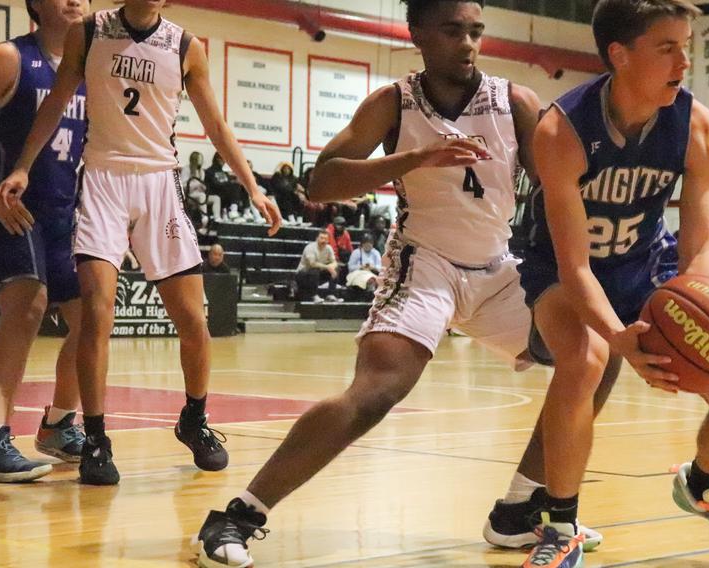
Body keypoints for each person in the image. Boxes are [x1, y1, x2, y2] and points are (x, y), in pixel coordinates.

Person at [190, 2, 599, 566]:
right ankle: (238, 515)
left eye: (476, 32)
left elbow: (562, 185)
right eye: (453, 30)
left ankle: (523, 506)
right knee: (378, 392)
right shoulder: (393, 103)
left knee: (596, 355)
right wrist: (414, 158)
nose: (467, 43)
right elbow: (323, 180)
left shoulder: (516, 102)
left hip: (500, 269)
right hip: (424, 263)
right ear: (419, 35)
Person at [508, 1, 709, 565]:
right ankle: (561, 526)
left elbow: (698, 249)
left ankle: (705, 485)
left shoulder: (698, 125)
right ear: (620, 53)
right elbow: (575, 268)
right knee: (586, 358)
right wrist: (619, 339)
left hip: (644, 270)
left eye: (688, 45)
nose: (685, 61)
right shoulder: (562, 129)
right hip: (560, 273)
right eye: (668, 48)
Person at [0, 0, 281, 486]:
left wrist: (253, 187)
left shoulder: (187, 46)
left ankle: (194, 418)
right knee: (97, 312)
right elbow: (56, 102)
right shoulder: (90, 31)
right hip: (104, 179)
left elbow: (215, 125)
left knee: (194, 319)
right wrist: (22, 164)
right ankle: (98, 439)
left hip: (158, 183)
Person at [0, 0, 91, 483]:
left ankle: (57, 425)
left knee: (93, 313)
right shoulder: (8, 58)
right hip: (9, 207)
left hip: (65, 213)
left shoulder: (91, 72)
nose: (76, 0)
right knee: (28, 306)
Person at [294, 230, 341, 303]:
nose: (323, 241)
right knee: (315, 270)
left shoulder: (329, 248)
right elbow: (312, 264)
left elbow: (334, 262)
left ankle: (331, 294)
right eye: (321, 238)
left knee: (336, 269)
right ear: (317, 239)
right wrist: (328, 267)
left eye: (326, 239)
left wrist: (332, 267)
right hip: (303, 273)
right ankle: (314, 295)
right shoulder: (310, 247)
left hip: (319, 272)